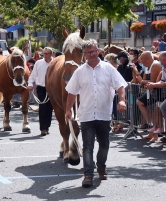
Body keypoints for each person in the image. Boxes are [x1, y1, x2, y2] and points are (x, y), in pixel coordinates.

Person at [65, 39, 127, 187]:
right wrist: (68, 109)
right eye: (87, 53)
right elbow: (72, 92)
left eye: (93, 51)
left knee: (104, 144)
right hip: (86, 115)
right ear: (84, 55)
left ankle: (101, 166)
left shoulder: (109, 68)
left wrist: (122, 100)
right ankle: (88, 175)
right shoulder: (79, 71)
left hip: (104, 114)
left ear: (98, 50)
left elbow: (120, 86)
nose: (91, 55)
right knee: (87, 146)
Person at [145, 51, 166, 142]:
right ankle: (162, 129)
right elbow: (162, 80)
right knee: (160, 108)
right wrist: (153, 84)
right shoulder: (165, 67)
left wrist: (154, 85)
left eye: (161, 60)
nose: (160, 62)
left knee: (165, 110)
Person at [27, 47, 54, 136]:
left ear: (51, 54)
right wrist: (30, 84)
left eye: (47, 54)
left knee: (49, 108)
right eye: (44, 54)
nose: (45, 56)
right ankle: (43, 128)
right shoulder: (38, 63)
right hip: (41, 88)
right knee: (42, 107)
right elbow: (33, 75)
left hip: (52, 89)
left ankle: (47, 126)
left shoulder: (55, 63)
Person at [136, 51, 161, 134]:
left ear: (148, 59)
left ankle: (155, 130)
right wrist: (143, 82)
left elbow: (151, 81)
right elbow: (143, 82)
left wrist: (143, 81)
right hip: (151, 91)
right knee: (140, 102)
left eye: (142, 59)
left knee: (156, 110)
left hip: (159, 91)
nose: (141, 61)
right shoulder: (147, 67)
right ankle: (149, 123)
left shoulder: (155, 65)